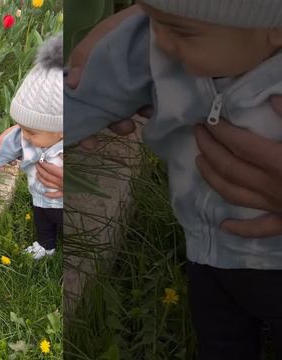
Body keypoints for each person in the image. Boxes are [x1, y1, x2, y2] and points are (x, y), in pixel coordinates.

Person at [64, 1, 282, 358]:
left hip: (276, 259)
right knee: (219, 340)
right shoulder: (155, 38)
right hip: (205, 251)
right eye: (151, 20)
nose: (161, 42)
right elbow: (84, 93)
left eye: (180, 31)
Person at [0, 34, 63, 260]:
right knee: (42, 219)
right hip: (39, 196)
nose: (23, 134)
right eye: (21, 126)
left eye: (31, 131)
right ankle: (45, 245)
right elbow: (4, 150)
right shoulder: (25, 134)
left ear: (61, 131)